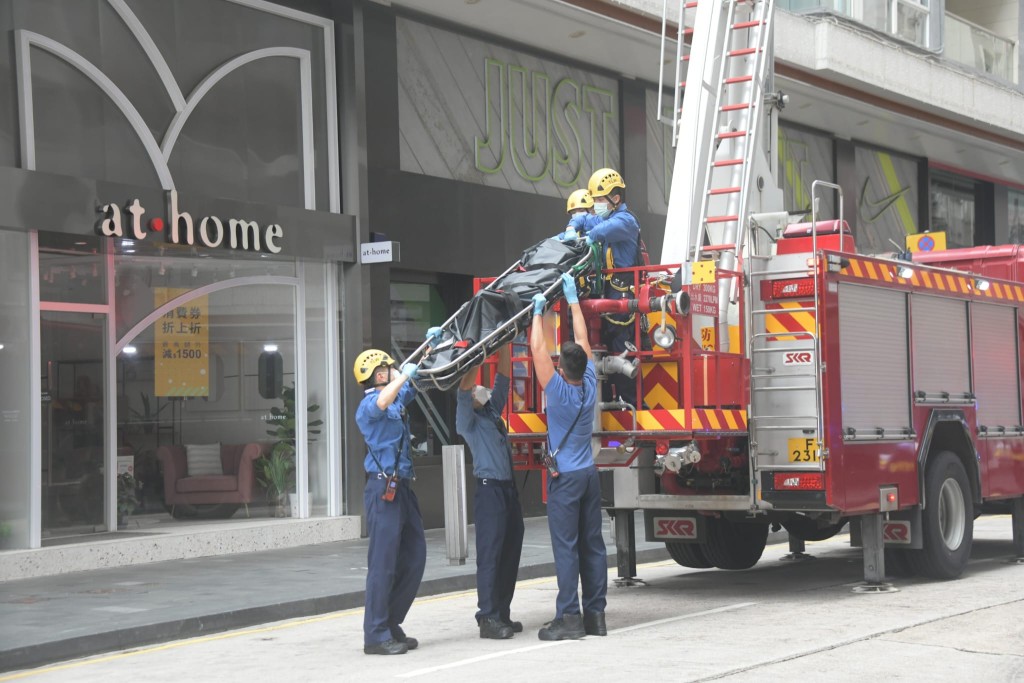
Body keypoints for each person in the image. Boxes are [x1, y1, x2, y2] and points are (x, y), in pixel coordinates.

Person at [528, 274, 607, 640]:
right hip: (590, 475)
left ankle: (568, 618)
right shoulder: (589, 383)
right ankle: (596, 616)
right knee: (592, 544)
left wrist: (536, 313)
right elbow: (582, 340)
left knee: (566, 548)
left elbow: (536, 351)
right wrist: (574, 301)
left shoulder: (558, 392)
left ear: (562, 368)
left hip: (566, 481)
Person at [353, 347, 426, 656]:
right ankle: (375, 634)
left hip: (402, 487)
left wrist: (427, 349)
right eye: (385, 369)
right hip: (383, 490)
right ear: (375, 374)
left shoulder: (395, 398)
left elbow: (415, 379)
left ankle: (390, 622)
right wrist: (402, 376)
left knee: (414, 557)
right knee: (383, 565)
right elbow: (383, 401)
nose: (390, 371)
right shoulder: (369, 404)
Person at [455, 344, 525, 640]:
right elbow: (464, 388)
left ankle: (502, 613)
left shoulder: (491, 411)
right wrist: (478, 359)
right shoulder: (467, 421)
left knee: (510, 551)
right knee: (490, 554)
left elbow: (504, 377)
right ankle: (487, 617)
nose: (478, 391)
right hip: (489, 492)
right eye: (475, 392)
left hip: (507, 491)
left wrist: (503, 345)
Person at [559, 169, 642, 407]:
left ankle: (629, 406)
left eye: (599, 200)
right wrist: (572, 227)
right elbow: (585, 220)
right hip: (606, 295)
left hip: (623, 297)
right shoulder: (606, 217)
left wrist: (583, 235)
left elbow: (598, 231)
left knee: (620, 350)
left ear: (615, 198)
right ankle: (603, 401)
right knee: (602, 348)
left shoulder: (626, 222)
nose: (596, 205)